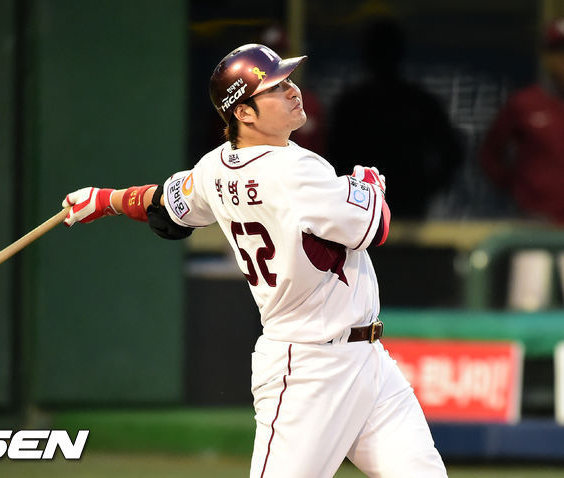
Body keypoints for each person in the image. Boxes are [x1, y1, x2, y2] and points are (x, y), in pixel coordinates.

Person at [61, 44, 447, 477]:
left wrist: (106, 200)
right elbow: (377, 226)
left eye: (288, 81)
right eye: (276, 88)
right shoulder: (294, 171)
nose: (293, 91)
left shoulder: (215, 168)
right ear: (243, 112)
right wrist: (370, 183)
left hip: (368, 363)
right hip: (308, 368)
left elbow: (164, 206)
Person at [328, 17, 462, 219]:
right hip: (360, 206)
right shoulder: (352, 105)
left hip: (405, 208)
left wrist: (424, 189)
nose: (382, 57)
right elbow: (332, 157)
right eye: (378, 50)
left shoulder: (418, 102)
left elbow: (451, 153)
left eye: (386, 50)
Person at [480, 17, 564, 224]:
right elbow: (490, 156)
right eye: (559, 51)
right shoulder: (524, 103)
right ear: (547, 57)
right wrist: (520, 188)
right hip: (538, 222)